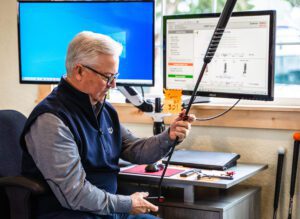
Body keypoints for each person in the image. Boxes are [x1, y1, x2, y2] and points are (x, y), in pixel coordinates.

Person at [21, 31, 195, 219]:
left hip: (106, 209)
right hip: (71, 213)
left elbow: (134, 149)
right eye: (107, 77)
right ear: (79, 71)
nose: (113, 85)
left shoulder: (103, 109)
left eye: (115, 76)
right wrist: (127, 203)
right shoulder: (51, 120)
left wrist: (168, 137)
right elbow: (75, 194)